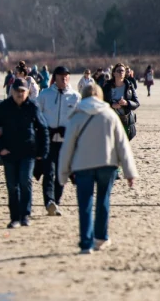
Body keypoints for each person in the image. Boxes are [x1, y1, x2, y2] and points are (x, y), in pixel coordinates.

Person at [58, 83, 138, 254]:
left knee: (85, 203)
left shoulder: (77, 115)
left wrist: (63, 173)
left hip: (83, 165)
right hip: (107, 165)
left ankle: (86, 244)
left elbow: (68, 147)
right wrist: (129, 172)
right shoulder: (110, 114)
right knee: (103, 201)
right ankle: (101, 238)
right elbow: (122, 145)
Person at [0, 78, 49, 227]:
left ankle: (25, 215)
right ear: (12, 91)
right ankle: (15, 218)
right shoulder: (4, 107)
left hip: (28, 152)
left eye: (23, 92)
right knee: (12, 185)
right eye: (17, 91)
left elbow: (43, 129)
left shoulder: (32, 107)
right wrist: (0, 148)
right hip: (9, 153)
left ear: (27, 92)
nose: (20, 94)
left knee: (25, 181)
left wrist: (42, 151)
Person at [36, 65, 79, 216]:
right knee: (49, 172)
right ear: (55, 77)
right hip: (48, 140)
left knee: (62, 173)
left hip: (66, 141)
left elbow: (80, 118)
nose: (64, 78)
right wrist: (43, 130)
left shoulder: (75, 96)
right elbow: (36, 113)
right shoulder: (45, 95)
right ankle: (49, 201)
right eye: (61, 76)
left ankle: (56, 202)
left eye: (66, 76)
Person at [103, 63, 140, 139]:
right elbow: (101, 102)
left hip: (125, 120)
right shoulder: (107, 86)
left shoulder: (129, 86)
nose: (121, 72)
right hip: (111, 119)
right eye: (118, 70)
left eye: (123, 70)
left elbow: (136, 103)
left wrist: (127, 103)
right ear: (114, 73)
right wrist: (112, 105)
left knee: (123, 144)